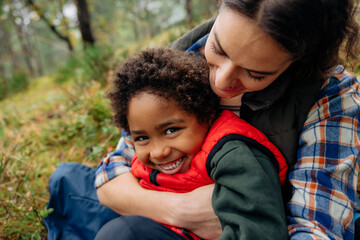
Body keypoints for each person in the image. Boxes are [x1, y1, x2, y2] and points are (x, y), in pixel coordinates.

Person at [44, 0, 360, 239]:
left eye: (255, 73)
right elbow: (113, 172)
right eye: (218, 49)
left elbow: (314, 227)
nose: (222, 82)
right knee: (67, 181)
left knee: (122, 233)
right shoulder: (181, 57)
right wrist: (183, 210)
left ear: (299, 61)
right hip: (171, 196)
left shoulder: (331, 97)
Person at [94, 47, 288, 239]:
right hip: (157, 222)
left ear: (207, 114)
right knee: (67, 179)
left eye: (171, 131)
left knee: (121, 234)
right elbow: (109, 169)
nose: (158, 152)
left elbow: (259, 231)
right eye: (142, 138)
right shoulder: (150, 154)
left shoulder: (233, 154)